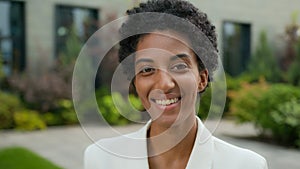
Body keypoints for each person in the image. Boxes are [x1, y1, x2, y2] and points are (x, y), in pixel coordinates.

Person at [84, 0, 268, 168]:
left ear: (202, 79)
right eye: (147, 69)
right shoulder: (101, 159)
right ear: (135, 81)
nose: (164, 84)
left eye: (179, 66)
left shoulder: (247, 165)